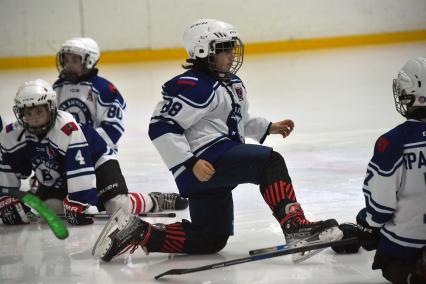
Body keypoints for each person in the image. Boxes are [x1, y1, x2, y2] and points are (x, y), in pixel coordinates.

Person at [92, 19, 341, 262]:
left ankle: (137, 232)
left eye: (232, 48)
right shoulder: (193, 85)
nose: (231, 55)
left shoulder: (230, 83)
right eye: (224, 50)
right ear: (203, 51)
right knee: (270, 162)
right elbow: (161, 127)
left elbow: (236, 120)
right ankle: (296, 227)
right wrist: (190, 163)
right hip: (204, 162)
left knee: (211, 238)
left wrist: (268, 127)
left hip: (213, 163)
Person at [0, 79, 188, 226]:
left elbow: (79, 168)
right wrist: (7, 199)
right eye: (28, 113)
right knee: (52, 207)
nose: (33, 119)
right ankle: (96, 200)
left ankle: (154, 200)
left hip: (98, 160)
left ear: (51, 108)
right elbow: (8, 170)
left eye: (39, 111)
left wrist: (80, 202)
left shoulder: (66, 128)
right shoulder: (11, 134)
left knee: (118, 206)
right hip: (60, 174)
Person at [332, 57, 426, 284]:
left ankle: (415, 273)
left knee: (386, 259)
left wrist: (367, 226)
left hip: (410, 239)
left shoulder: (392, 142)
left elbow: (381, 207)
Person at [54, 37, 125, 151]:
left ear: (89, 61)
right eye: (66, 60)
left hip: (99, 154)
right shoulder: (57, 88)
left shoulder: (104, 89)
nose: (68, 65)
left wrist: (86, 148)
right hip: (65, 153)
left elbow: (113, 128)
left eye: (74, 60)